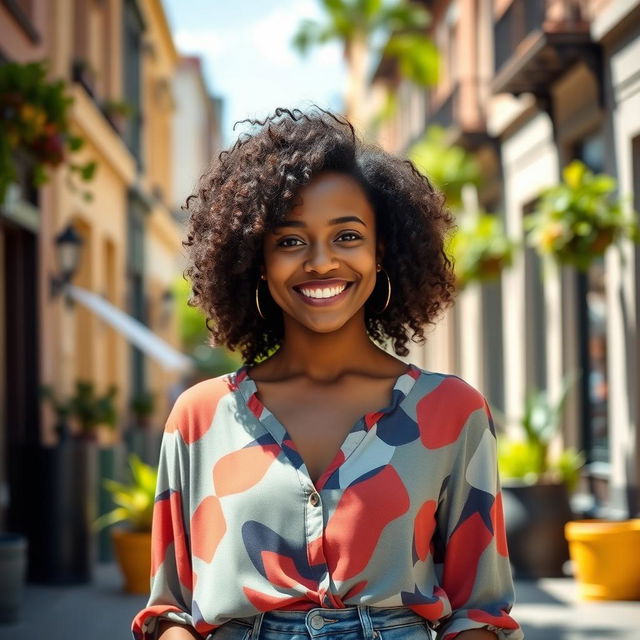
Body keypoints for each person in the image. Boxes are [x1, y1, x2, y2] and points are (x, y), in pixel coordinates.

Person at [131, 107, 524, 640]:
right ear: (257, 259)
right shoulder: (200, 417)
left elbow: (481, 612)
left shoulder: (453, 413)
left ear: (381, 252)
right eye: (291, 241)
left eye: (347, 236)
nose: (320, 262)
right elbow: (168, 612)